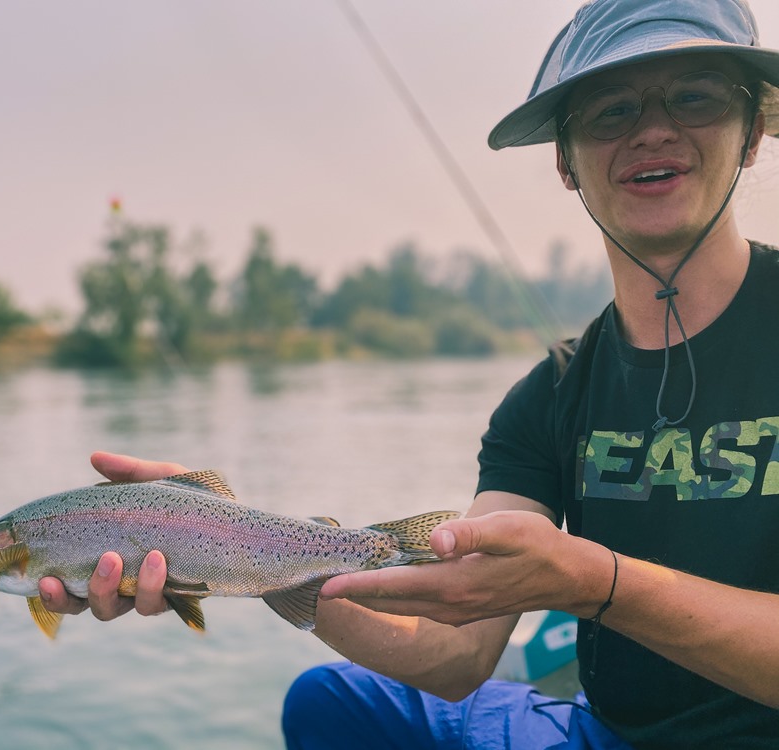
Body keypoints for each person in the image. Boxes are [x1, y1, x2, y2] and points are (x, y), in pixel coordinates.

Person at [39, 0, 779, 746]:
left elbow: (588, 584)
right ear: (565, 159)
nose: (653, 129)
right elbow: (458, 655)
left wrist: (598, 582)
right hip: (612, 733)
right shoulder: (548, 397)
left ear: (750, 131)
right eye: (611, 110)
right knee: (329, 703)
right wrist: (224, 550)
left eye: (695, 95)